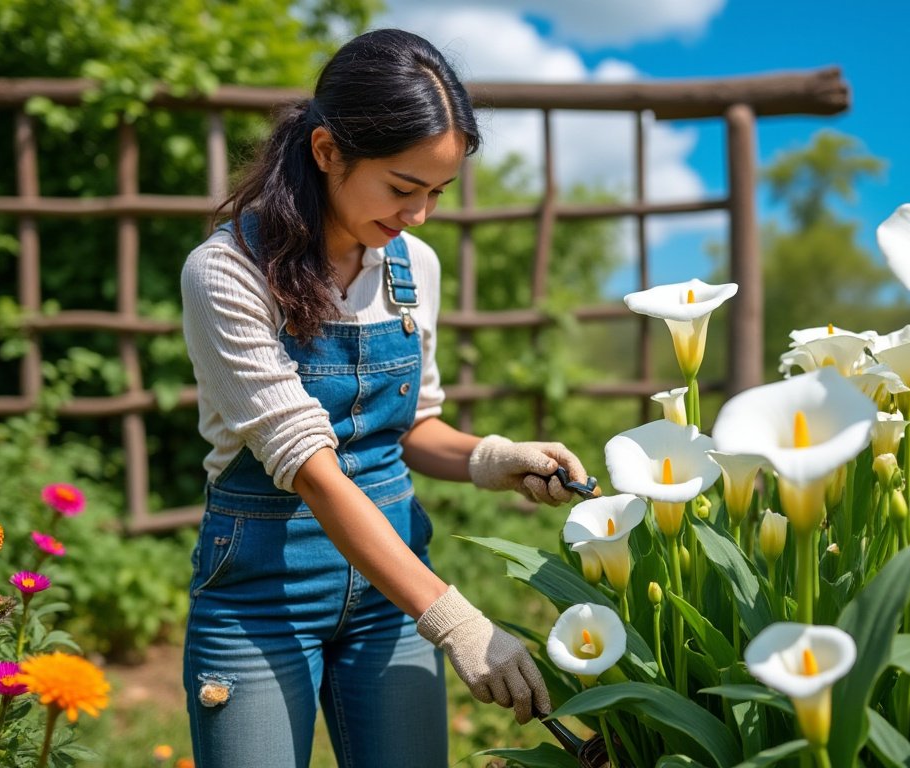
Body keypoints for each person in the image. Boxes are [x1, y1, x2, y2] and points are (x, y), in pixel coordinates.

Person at [179, 28, 595, 767]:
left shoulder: (412, 267)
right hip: (262, 596)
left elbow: (410, 427)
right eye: (403, 188)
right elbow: (313, 470)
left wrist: (492, 457)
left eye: (436, 192)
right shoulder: (226, 273)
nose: (420, 215)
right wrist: (458, 622)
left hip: (391, 598)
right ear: (326, 151)